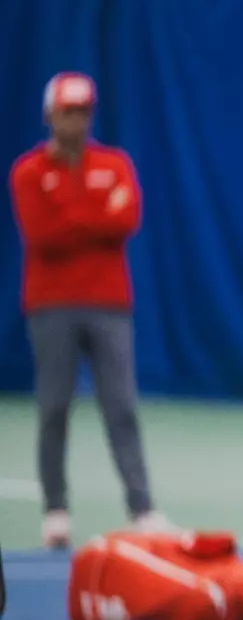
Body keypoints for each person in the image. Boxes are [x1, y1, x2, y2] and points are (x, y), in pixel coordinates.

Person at [9, 72, 170, 550]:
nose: (75, 122)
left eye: (83, 113)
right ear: (49, 115)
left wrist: (71, 213)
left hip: (109, 305)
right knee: (54, 406)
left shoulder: (116, 164)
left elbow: (127, 218)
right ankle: (56, 510)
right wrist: (96, 213)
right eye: (67, 112)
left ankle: (142, 508)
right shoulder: (26, 172)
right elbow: (43, 234)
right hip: (50, 306)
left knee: (120, 406)